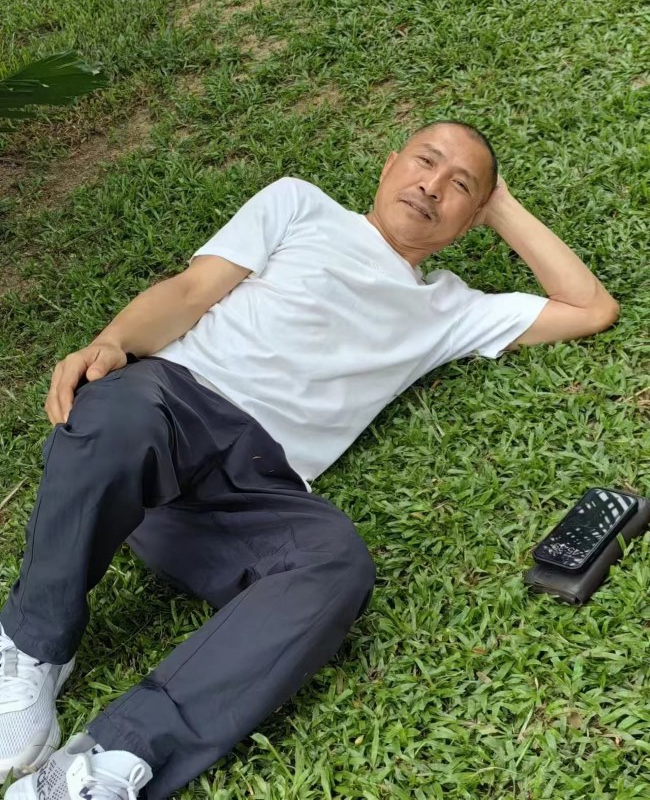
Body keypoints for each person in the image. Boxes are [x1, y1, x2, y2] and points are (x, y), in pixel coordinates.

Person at [0, 120, 619, 800]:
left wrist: (499, 202)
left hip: (255, 486)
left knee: (336, 563)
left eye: (460, 185)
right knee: (115, 409)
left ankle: (107, 764)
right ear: (389, 164)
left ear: (470, 220)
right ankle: (31, 648)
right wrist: (114, 341)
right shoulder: (300, 204)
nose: (432, 186)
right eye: (425, 161)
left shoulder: (450, 308)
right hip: (173, 406)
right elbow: (191, 290)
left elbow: (590, 307)